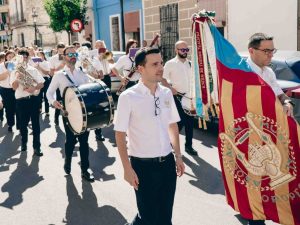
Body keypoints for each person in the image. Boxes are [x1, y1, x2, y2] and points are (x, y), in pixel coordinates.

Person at [114, 47, 185, 225]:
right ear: (141, 69)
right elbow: (120, 135)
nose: (160, 67)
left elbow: (172, 125)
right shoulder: (128, 97)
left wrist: (178, 156)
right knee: (148, 218)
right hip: (142, 167)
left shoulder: (166, 93)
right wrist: (127, 168)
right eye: (154, 64)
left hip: (167, 164)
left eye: (161, 62)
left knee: (165, 216)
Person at [246, 33, 294, 225]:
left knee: (267, 178)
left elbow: (278, 93)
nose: (271, 55)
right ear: (252, 50)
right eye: (266, 51)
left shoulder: (269, 72)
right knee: (253, 180)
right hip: (249, 136)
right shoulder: (241, 71)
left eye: (272, 50)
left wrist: (287, 101)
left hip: (268, 133)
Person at [46, 45, 95, 182]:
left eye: (75, 54)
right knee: (71, 141)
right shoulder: (59, 75)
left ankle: (85, 170)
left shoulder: (83, 73)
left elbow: (92, 88)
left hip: (84, 112)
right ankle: (67, 161)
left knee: (84, 141)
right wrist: (53, 102)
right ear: (64, 57)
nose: (73, 57)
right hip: (68, 112)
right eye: (70, 54)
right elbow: (49, 93)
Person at [162, 40, 198, 156]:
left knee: (190, 123)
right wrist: (170, 88)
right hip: (177, 97)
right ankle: (171, 144)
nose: (185, 52)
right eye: (182, 50)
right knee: (179, 122)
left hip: (190, 97)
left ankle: (188, 146)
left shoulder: (191, 64)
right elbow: (162, 79)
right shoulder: (170, 64)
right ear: (176, 50)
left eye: (186, 49)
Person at [11, 48, 44, 156]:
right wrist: (17, 77)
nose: (24, 59)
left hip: (33, 100)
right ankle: (24, 142)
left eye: (25, 57)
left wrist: (34, 89)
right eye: (21, 57)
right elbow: (14, 87)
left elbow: (41, 83)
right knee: (23, 125)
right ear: (18, 58)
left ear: (28, 57)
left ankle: (37, 147)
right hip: (21, 101)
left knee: (36, 125)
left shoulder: (33, 69)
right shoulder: (14, 71)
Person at [0, 50, 17, 132]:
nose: (11, 59)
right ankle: (10, 124)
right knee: (9, 108)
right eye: (9, 57)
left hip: (16, 89)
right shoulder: (1, 66)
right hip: (5, 90)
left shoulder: (17, 65)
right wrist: (8, 71)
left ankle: (20, 125)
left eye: (13, 57)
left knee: (18, 108)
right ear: (6, 57)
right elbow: (0, 78)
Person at [49, 43, 66, 126]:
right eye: (60, 49)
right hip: (59, 81)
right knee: (59, 100)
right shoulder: (53, 59)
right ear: (57, 49)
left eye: (63, 49)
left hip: (68, 81)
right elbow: (51, 73)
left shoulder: (68, 56)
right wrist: (61, 66)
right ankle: (56, 117)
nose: (61, 51)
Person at [35, 51, 51, 116]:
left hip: (45, 80)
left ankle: (47, 111)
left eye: (40, 55)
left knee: (46, 95)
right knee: (39, 96)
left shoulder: (47, 63)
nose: (39, 57)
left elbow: (47, 72)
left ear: (43, 56)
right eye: (38, 55)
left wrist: (39, 67)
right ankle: (39, 109)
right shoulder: (36, 63)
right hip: (38, 80)